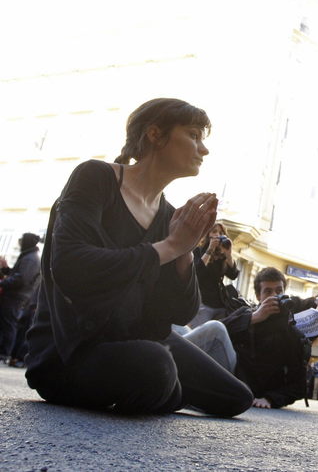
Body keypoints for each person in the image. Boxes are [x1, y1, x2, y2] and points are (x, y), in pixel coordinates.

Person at [24, 98, 253, 416]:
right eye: (194, 135)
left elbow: (177, 311)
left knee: (235, 397)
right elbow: (72, 265)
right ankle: (165, 387)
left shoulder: (169, 216)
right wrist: (171, 246)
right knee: (155, 366)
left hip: (138, 339)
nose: (204, 149)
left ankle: (165, 389)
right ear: (155, 134)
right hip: (69, 352)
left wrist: (185, 250)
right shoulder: (96, 177)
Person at [221, 267, 309, 409]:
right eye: (268, 292)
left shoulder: (291, 332)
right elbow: (216, 331)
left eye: (279, 291)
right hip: (231, 380)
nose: (274, 296)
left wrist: (270, 399)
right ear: (258, 296)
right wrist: (253, 318)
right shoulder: (246, 314)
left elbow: (298, 386)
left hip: (251, 393)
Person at [0, 233, 42, 363]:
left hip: (16, 297)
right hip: (16, 296)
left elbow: (21, 279)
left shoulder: (30, 258)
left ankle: (4, 354)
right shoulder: (28, 256)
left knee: (9, 325)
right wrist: (7, 269)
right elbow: (18, 274)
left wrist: (2, 283)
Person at [188, 223, 240, 327]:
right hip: (203, 301)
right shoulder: (198, 250)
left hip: (219, 303)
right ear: (208, 234)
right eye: (214, 231)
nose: (218, 235)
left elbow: (233, 275)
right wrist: (210, 249)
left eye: (221, 233)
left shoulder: (221, 255)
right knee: (198, 332)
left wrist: (228, 254)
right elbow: (197, 272)